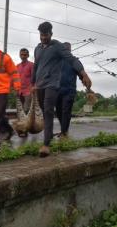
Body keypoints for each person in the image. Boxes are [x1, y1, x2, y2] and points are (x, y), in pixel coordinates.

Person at [32, 22, 92, 157]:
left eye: (46, 35)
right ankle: (52, 135)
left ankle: (46, 144)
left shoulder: (57, 47)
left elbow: (72, 60)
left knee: (48, 110)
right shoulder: (38, 49)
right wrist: (32, 83)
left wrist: (83, 74)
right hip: (40, 85)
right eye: (41, 35)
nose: (43, 38)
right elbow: (36, 67)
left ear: (51, 34)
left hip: (53, 84)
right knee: (45, 110)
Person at [55, 42, 83, 139]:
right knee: (58, 112)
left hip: (69, 91)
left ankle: (64, 132)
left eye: (68, 48)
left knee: (66, 111)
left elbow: (81, 73)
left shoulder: (74, 60)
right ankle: (64, 130)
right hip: (57, 90)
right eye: (64, 48)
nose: (66, 49)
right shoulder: (57, 61)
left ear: (70, 50)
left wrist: (87, 86)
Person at [17, 48, 34, 114]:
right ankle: (22, 123)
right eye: (21, 55)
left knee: (26, 109)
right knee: (20, 109)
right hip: (19, 91)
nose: (23, 56)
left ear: (28, 55)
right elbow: (15, 79)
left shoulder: (31, 65)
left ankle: (28, 123)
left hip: (28, 91)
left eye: (25, 55)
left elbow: (33, 77)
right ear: (19, 55)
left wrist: (32, 88)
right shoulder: (17, 66)